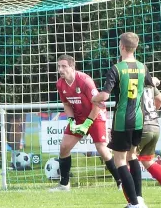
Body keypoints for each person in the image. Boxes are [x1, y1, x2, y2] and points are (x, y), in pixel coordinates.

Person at [92, 32, 154, 208]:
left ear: (122, 47)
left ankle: (133, 204)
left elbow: (104, 95)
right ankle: (139, 200)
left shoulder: (116, 69)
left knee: (119, 159)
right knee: (132, 156)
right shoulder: (143, 67)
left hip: (122, 120)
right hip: (138, 119)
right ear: (135, 48)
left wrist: (93, 98)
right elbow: (151, 83)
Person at [49, 54, 121, 192]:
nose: (60, 69)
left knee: (103, 150)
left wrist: (87, 124)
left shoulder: (85, 81)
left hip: (96, 116)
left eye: (64, 66)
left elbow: (98, 104)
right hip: (78, 118)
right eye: (59, 66)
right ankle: (64, 184)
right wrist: (71, 121)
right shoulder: (60, 83)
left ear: (72, 66)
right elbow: (66, 104)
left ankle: (120, 181)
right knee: (64, 147)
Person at [131, 77, 161, 196]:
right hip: (154, 125)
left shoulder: (130, 81)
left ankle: (134, 201)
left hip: (140, 126)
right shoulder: (147, 81)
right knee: (147, 160)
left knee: (125, 160)